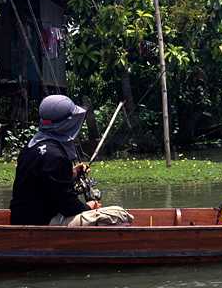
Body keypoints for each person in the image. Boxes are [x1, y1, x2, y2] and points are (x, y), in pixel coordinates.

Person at [10, 95, 133, 227]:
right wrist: (88, 207)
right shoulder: (55, 156)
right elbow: (68, 206)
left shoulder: (31, 146)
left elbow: (45, 182)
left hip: (23, 217)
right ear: (67, 123)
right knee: (120, 215)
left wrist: (72, 173)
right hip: (41, 222)